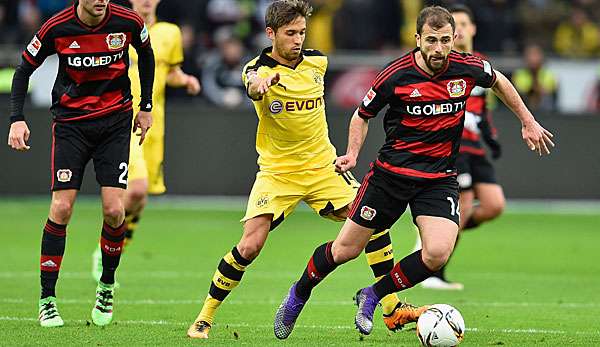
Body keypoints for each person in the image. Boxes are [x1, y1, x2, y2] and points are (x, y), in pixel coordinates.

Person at [274, 5, 554, 339]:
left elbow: (500, 81)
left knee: (436, 254)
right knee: (344, 250)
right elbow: (362, 115)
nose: (439, 49)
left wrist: (527, 120)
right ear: (417, 38)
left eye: (446, 40)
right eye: (432, 40)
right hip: (390, 177)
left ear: (455, 38)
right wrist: (351, 153)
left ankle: (373, 294)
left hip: (437, 179)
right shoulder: (396, 74)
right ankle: (299, 292)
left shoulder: (467, 67)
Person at [187, 0, 424, 339]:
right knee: (250, 245)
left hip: (322, 167)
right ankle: (204, 317)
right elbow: (252, 82)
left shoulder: (318, 62)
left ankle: (390, 307)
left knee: (373, 219)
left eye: (301, 32)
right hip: (277, 172)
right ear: (271, 33)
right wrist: (259, 87)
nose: (297, 39)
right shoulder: (258, 70)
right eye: (290, 33)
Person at [7, 0, 154, 327]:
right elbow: (23, 70)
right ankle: (47, 298)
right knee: (61, 209)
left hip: (115, 122)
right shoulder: (56, 27)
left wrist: (146, 105)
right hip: (72, 125)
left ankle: (106, 286)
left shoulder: (127, 21)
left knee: (115, 210)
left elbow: (146, 53)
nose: (101, 1)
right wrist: (16, 118)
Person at [91, 0, 201, 283]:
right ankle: (104, 247)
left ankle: (113, 250)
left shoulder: (170, 33)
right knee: (136, 190)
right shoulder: (117, 29)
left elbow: (169, 72)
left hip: (154, 125)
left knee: (141, 198)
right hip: (121, 120)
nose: (146, 0)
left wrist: (185, 79)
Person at [418, 4, 505, 291]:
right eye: (457, 25)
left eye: (465, 24)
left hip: (475, 144)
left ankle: (433, 236)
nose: (462, 30)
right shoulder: (444, 64)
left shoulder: (480, 65)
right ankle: (433, 269)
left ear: (471, 29)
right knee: (464, 205)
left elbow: (482, 108)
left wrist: (490, 135)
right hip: (454, 146)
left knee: (494, 205)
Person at [512, 43, 558, 112]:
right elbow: (522, 91)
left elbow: (548, 91)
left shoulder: (549, 74)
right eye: (530, 55)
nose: (533, 59)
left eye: (536, 55)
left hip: (545, 110)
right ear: (526, 58)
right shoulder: (519, 74)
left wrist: (536, 88)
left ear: (541, 57)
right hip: (524, 108)